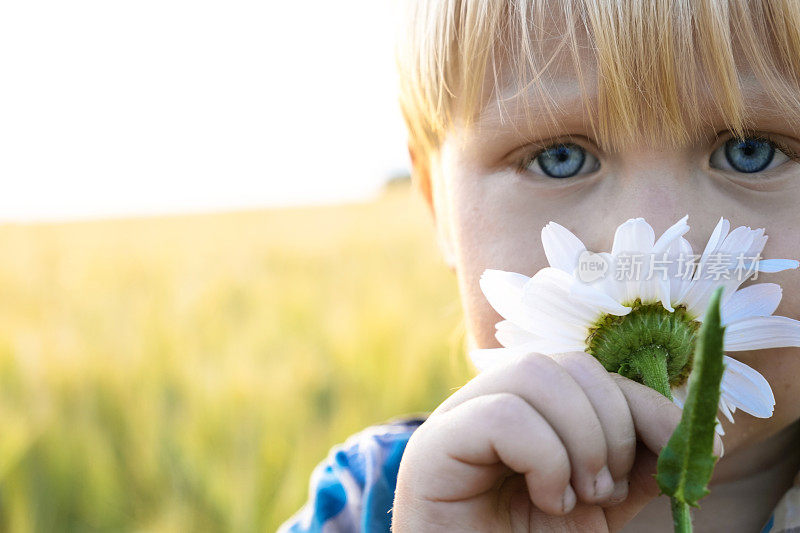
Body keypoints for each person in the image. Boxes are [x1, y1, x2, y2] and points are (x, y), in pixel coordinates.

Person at [280, 0, 800, 530]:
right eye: (559, 158)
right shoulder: (374, 503)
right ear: (438, 205)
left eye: (750, 150)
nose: (652, 248)